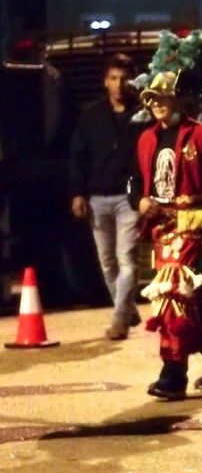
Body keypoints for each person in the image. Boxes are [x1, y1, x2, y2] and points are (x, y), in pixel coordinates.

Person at [131, 32, 202, 401]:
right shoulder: (147, 139)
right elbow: (134, 180)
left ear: (178, 100)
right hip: (162, 228)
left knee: (174, 295)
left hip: (193, 228)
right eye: (153, 100)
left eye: (164, 99)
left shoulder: (201, 135)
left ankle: (173, 371)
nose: (158, 105)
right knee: (195, 299)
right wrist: (139, 202)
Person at [69, 53, 143, 339]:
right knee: (107, 262)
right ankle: (127, 308)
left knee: (127, 259)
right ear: (105, 81)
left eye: (124, 78)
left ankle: (119, 321)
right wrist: (77, 193)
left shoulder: (143, 115)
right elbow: (78, 156)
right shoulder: (91, 115)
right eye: (113, 78)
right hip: (97, 198)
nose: (119, 84)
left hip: (128, 199)